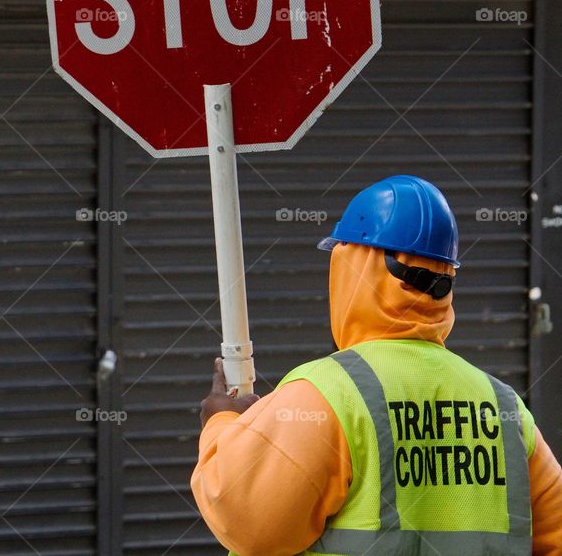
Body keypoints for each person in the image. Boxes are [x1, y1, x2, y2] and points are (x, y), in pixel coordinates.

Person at [191, 175, 562, 555]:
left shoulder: (325, 395)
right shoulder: (504, 408)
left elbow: (248, 524)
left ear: (354, 266)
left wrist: (221, 422)